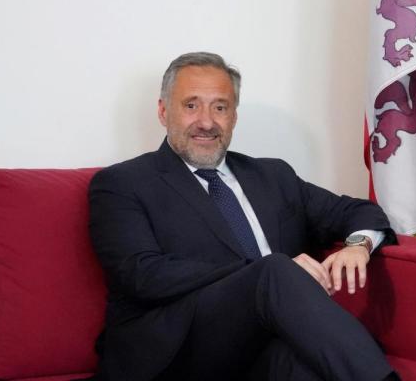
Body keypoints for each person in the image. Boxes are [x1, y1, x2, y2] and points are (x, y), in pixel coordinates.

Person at [88, 52, 399, 381]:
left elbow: (357, 211)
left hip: (262, 349)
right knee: (275, 268)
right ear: (164, 111)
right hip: (175, 350)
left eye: (220, 107)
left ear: (234, 116)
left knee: (301, 366)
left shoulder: (272, 176)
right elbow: (142, 274)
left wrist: (358, 244)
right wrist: (260, 271)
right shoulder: (122, 183)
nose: (206, 122)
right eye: (191, 105)